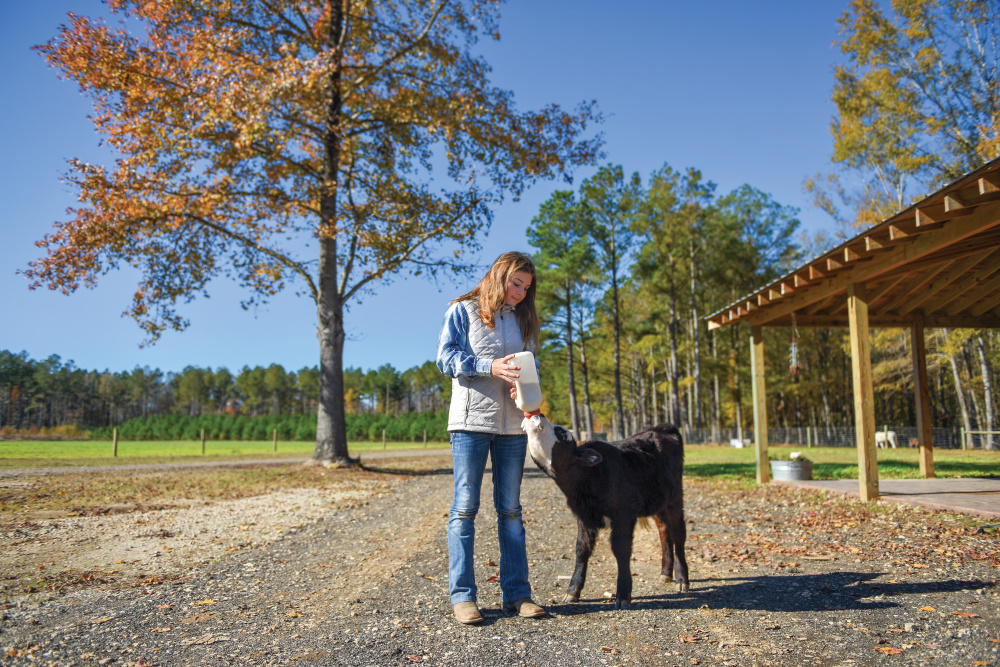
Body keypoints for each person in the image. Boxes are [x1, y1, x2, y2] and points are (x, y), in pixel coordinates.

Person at [436, 251, 545, 625]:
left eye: (526, 287)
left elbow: (529, 368)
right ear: (499, 276)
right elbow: (445, 358)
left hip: (512, 427)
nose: (519, 292)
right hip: (469, 424)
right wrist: (488, 366)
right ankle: (463, 597)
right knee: (465, 509)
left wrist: (530, 399)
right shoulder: (462, 311)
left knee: (511, 511)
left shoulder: (522, 319)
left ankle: (518, 595)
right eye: (516, 283)